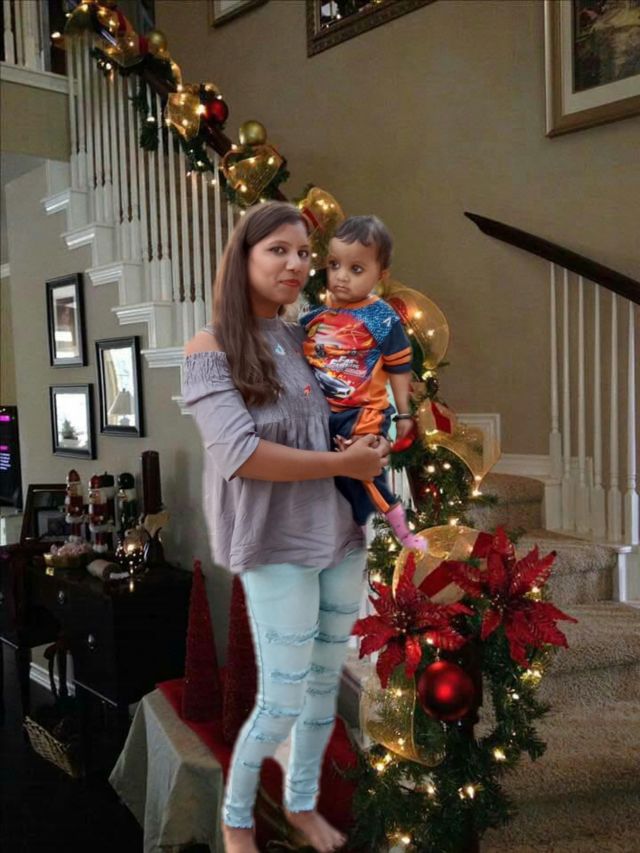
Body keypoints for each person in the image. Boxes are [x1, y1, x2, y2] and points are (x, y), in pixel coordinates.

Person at [182, 201, 388, 853]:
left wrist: (375, 436)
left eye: (304, 252)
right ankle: (236, 820)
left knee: (324, 688)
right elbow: (239, 454)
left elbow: (352, 405)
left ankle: (300, 804)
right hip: (275, 543)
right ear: (243, 255)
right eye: (278, 250)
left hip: (339, 534)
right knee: (282, 698)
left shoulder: (309, 337)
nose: (296, 264)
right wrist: (343, 462)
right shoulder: (210, 347)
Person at [300, 215, 425, 552]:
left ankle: (403, 534)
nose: (341, 276)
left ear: (380, 275)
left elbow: (399, 369)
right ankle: (336, 530)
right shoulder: (314, 318)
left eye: (356, 269)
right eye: (334, 264)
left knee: (364, 473)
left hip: (362, 415)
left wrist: (404, 415)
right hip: (322, 414)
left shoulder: (381, 318)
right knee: (326, 475)